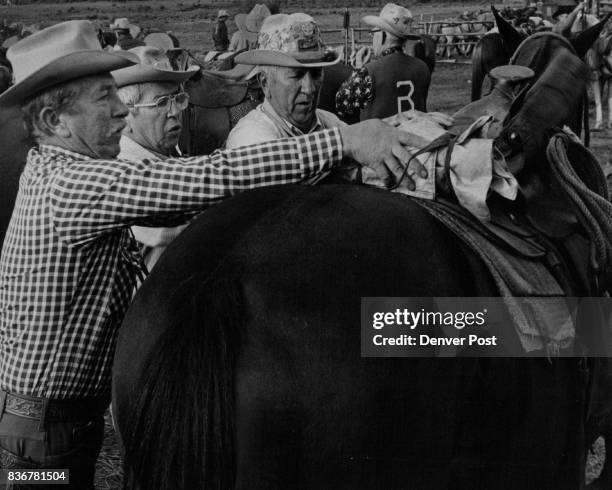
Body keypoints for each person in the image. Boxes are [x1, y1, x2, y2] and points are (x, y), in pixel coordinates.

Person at [0, 20, 423, 488]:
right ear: (53, 122)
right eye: (104, 98)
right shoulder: (70, 185)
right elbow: (204, 181)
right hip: (46, 429)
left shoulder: (62, 175)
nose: (122, 112)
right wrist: (342, 142)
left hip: (57, 418)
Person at [113, 46, 199, 271]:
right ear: (126, 114)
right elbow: (171, 230)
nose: (174, 111)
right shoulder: (126, 168)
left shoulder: (165, 151)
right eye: (161, 103)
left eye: (178, 99)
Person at [227, 13, 345, 150]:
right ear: (265, 83)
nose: (309, 88)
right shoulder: (251, 136)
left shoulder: (330, 121)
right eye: (296, 76)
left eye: (316, 73)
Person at [336, 3, 431, 120]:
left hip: (382, 136)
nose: (372, 38)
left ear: (383, 36)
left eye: (373, 33)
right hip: (415, 134)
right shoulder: (422, 67)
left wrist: (357, 72)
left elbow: (342, 106)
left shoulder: (369, 71)